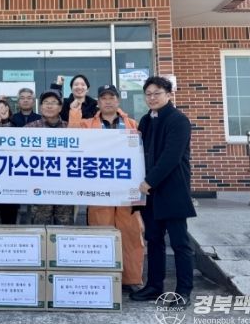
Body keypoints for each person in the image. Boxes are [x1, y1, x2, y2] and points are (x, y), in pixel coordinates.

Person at [68, 84, 145, 292]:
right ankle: (104, 279)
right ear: (98, 102)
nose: (108, 101)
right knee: (100, 234)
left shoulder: (132, 124)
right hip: (99, 191)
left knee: (131, 234)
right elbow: (73, 140)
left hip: (127, 192)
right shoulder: (87, 125)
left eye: (112, 97)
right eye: (104, 98)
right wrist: (74, 112)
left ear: (118, 101)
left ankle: (131, 279)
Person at [129, 76, 196, 307]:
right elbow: (139, 152)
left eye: (157, 93)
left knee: (179, 243)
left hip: (172, 189)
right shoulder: (146, 120)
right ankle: (154, 286)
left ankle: (184, 291)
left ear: (169, 94)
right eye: (148, 94)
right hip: (150, 193)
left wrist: (150, 181)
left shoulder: (179, 120)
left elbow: (171, 156)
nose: (152, 98)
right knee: (154, 240)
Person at [25, 89, 74, 225]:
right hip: (39, 188)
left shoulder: (70, 128)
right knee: (40, 228)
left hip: (65, 188)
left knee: (64, 229)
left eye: (53, 102)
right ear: (40, 107)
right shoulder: (29, 129)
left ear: (60, 108)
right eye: (46, 102)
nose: (49, 106)